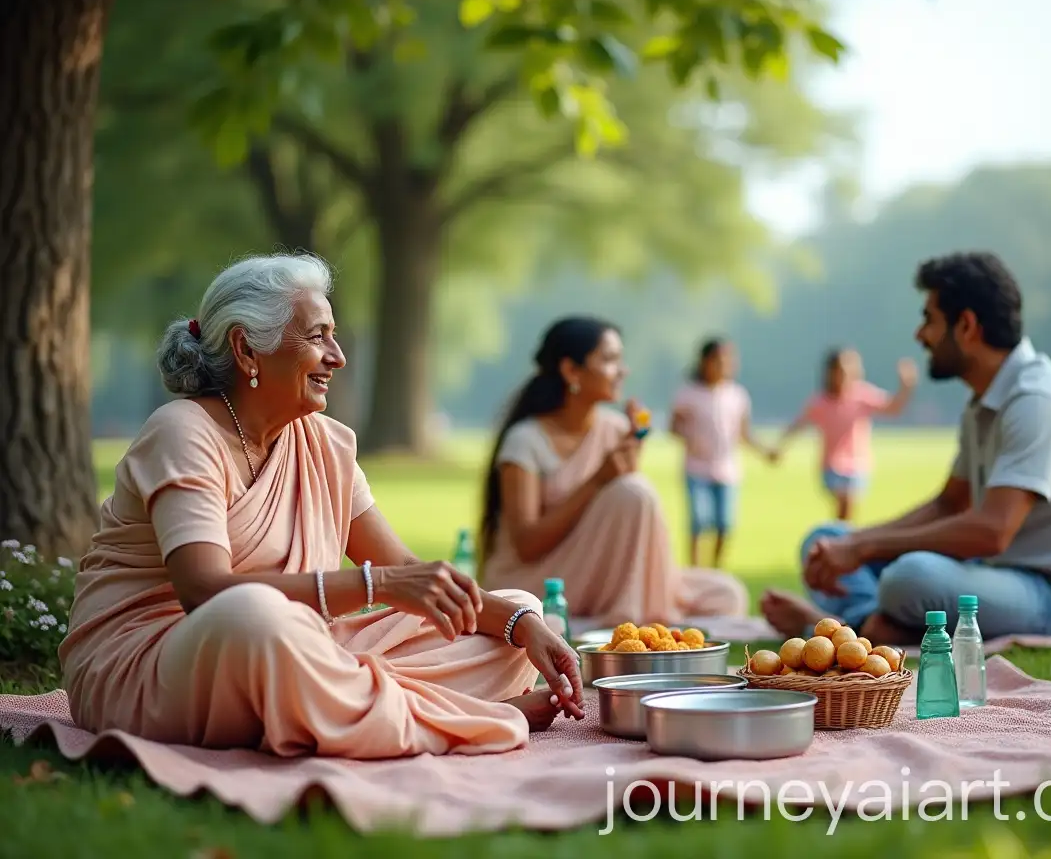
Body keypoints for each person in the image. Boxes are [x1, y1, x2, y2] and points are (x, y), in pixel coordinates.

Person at [58, 253, 584, 760]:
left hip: (292, 651)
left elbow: (405, 570)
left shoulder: (324, 443)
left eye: (333, 335)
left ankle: (361, 705)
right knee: (258, 618)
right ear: (246, 350)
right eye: (317, 337)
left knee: (513, 614)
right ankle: (468, 717)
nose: (338, 356)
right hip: (155, 662)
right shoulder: (182, 432)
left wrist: (519, 623)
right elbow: (204, 592)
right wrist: (375, 588)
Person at [761, 252, 1051, 647]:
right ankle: (868, 629)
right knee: (824, 538)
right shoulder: (985, 401)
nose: (920, 335)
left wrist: (865, 546)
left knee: (910, 578)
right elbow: (949, 504)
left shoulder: (1037, 402)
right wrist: (849, 545)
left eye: (930, 320)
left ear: (968, 326)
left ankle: (852, 629)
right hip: (1001, 573)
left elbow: (992, 531)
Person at [477, 317, 749, 626]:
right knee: (634, 492)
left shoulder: (615, 428)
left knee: (727, 594)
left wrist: (634, 448)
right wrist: (598, 481)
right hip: (545, 578)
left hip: (603, 573)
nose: (623, 370)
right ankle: (627, 617)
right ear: (571, 371)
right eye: (610, 360)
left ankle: (630, 609)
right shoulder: (526, 441)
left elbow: (625, 526)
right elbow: (526, 545)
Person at [772, 347, 918, 521]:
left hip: (858, 465)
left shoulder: (862, 395)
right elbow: (797, 425)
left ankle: (840, 539)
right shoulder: (821, 402)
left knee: (847, 511)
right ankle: (841, 539)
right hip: (831, 466)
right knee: (844, 504)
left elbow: (893, 408)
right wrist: (780, 447)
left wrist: (906, 387)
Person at [669, 337, 776, 568]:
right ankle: (695, 569)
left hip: (727, 470)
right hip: (697, 468)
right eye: (718, 360)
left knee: (725, 524)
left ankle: (715, 568)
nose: (724, 365)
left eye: (729, 360)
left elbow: (744, 434)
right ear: (705, 362)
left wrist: (765, 451)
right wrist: (690, 437)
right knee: (699, 521)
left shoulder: (737, 395)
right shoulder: (689, 394)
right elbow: (673, 426)